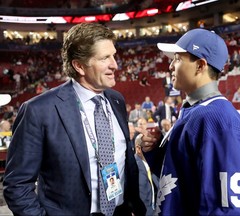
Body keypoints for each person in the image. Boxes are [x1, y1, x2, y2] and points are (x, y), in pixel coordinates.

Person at [3, 23, 146, 216]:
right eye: (105, 58)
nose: (115, 64)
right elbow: (17, 185)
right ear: (79, 65)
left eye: (113, 55)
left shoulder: (116, 100)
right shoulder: (39, 110)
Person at [139, 28, 240, 215]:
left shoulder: (218, 119)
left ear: (200, 65)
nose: (170, 66)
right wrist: (155, 151)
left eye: (178, 59)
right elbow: (183, 176)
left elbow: (230, 207)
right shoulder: (196, 110)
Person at [134, 134, 159, 216]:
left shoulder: (155, 164)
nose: (151, 149)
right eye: (148, 146)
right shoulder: (133, 166)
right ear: (138, 148)